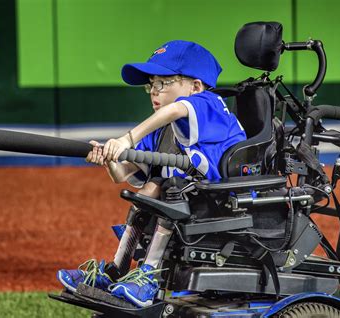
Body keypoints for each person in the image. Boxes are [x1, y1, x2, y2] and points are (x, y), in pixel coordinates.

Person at [57, 40, 246, 307]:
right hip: (186, 196)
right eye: (152, 84)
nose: (154, 92)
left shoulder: (209, 103)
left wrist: (126, 139)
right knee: (148, 191)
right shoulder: (162, 130)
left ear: (195, 86)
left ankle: (151, 275)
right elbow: (120, 174)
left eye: (163, 83)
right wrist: (106, 157)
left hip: (219, 199)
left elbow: (175, 109)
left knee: (170, 188)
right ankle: (116, 269)